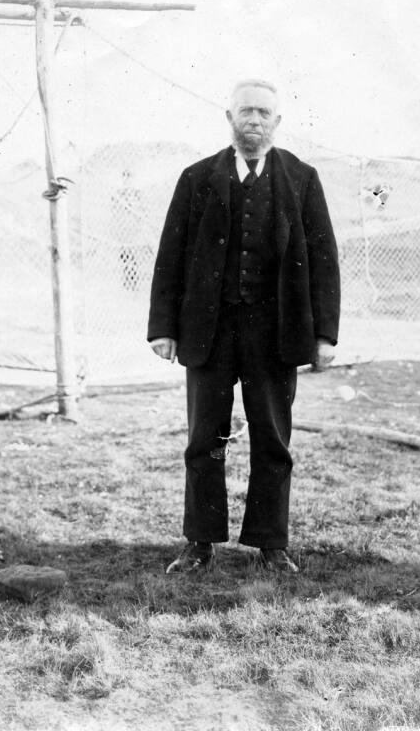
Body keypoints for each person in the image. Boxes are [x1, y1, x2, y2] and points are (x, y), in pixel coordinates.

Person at [147, 79, 340, 574]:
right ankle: (199, 544)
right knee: (203, 438)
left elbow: (323, 261)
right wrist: (162, 328)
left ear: (278, 122)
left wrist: (324, 335)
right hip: (207, 334)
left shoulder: (301, 178)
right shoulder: (197, 178)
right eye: (245, 112)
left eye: (263, 113)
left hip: (274, 334)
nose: (254, 121)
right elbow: (170, 255)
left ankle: (271, 544)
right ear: (228, 118)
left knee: (273, 438)